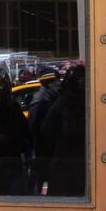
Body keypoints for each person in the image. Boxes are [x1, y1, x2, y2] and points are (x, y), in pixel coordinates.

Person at [46, 65, 88, 197]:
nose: (82, 82)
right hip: (69, 158)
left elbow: (46, 130)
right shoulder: (64, 103)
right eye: (80, 79)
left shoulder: (61, 102)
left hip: (68, 158)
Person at [27, 68, 62, 196]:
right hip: (41, 151)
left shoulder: (51, 97)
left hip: (48, 150)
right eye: (56, 81)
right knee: (37, 184)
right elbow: (32, 128)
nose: (58, 83)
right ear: (48, 83)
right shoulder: (41, 100)